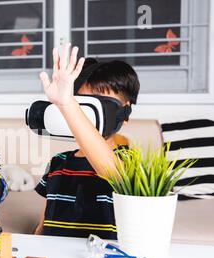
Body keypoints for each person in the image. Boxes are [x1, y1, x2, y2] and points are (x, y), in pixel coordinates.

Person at [34, 44, 140, 239]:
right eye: (81, 105)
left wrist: (68, 104)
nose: (85, 115)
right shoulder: (58, 161)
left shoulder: (128, 160)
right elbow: (43, 224)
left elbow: (111, 171)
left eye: (99, 106)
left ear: (125, 112)